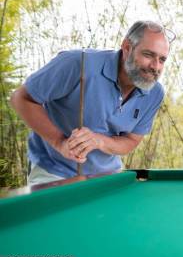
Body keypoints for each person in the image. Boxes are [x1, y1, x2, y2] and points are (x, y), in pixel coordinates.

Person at [10, 21, 172, 185]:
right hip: (54, 172)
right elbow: (21, 98)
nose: (155, 66)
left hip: (107, 175)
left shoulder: (155, 93)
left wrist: (99, 141)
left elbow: (131, 141)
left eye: (162, 59)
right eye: (148, 55)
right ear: (127, 47)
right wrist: (60, 143)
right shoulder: (78, 63)